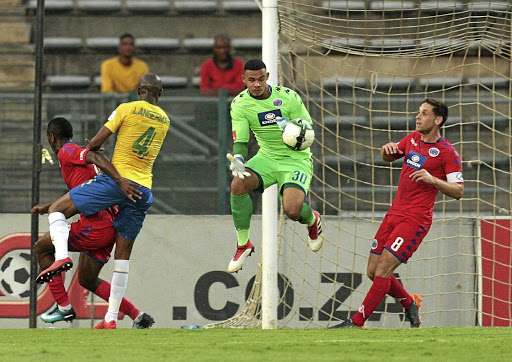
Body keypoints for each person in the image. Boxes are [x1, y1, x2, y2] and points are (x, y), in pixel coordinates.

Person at [36, 73, 170, 329]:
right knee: (103, 269)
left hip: (111, 199)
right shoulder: (165, 119)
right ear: (160, 93)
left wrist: (101, 158)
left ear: (138, 90)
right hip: (141, 191)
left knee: (47, 236)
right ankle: (123, 317)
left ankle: (63, 296)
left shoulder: (124, 111)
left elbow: (95, 151)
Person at [331, 98, 464, 329]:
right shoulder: (412, 139)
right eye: (418, 112)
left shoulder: (448, 153)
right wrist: (387, 149)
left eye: (424, 113)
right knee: (373, 272)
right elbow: (388, 156)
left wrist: (432, 179)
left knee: (383, 269)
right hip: (394, 213)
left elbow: (459, 191)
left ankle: (357, 321)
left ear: (438, 120)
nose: (418, 116)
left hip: (415, 219)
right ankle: (409, 303)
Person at [226, 59, 324, 273]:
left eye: (261, 79)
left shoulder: (288, 97)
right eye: (251, 80)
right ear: (244, 80)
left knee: (292, 210)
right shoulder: (240, 104)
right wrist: (240, 160)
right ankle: (243, 244)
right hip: (267, 157)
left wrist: (293, 130)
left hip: (295, 159)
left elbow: (308, 129)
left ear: (267, 76)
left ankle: (311, 219)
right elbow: (241, 142)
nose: (257, 84)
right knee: (237, 185)